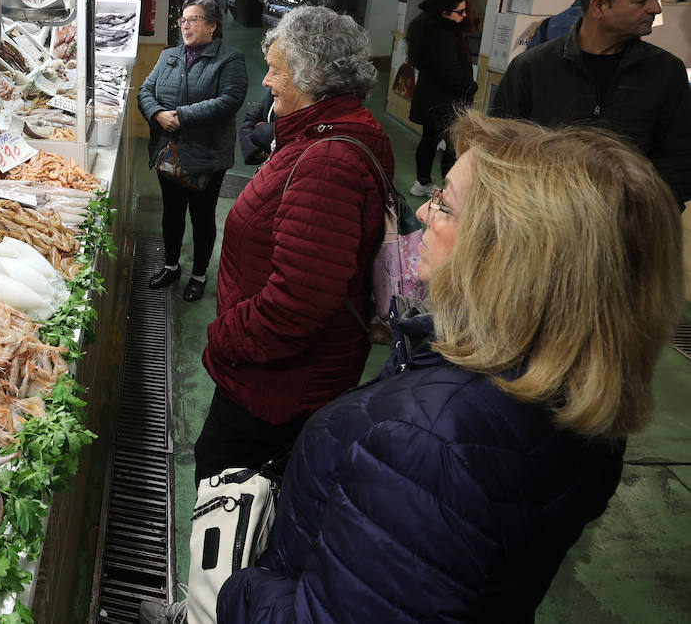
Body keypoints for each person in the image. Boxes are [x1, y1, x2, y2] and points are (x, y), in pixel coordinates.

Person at [218, 112, 682, 622]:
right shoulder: (576, 392)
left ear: (507, 254)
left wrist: (238, 585)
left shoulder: (422, 445)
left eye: (444, 204)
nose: (422, 210)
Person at [199, 5, 389, 480]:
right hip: (284, 377)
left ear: (314, 76)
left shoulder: (327, 162)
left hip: (275, 389)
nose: (266, 81)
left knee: (230, 498)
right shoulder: (332, 130)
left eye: (276, 70)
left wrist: (224, 335)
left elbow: (296, 306)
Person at [490, 0, 691, 205]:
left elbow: (679, 155)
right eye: (642, 1)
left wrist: (655, 211)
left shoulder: (666, 70)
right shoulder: (532, 67)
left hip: (630, 219)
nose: (656, 9)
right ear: (599, 6)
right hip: (544, 216)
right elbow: (499, 146)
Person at [137, 0, 248, 301]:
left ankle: (199, 275)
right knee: (171, 213)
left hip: (206, 155)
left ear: (212, 26)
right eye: (183, 20)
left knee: (202, 217)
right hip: (168, 151)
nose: (185, 26)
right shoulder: (168, 56)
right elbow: (145, 90)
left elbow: (229, 100)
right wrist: (157, 114)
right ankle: (171, 266)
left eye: (194, 20)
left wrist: (181, 116)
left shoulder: (230, 60)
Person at [404, 0, 475, 197]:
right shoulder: (444, 36)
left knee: (430, 141)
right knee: (450, 146)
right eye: (460, 12)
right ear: (445, 13)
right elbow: (449, 70)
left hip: (434, 100)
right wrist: (470, 87)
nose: (464, 15)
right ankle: (448, 191)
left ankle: (424, 181)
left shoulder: (431, 31)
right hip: (444, 101)